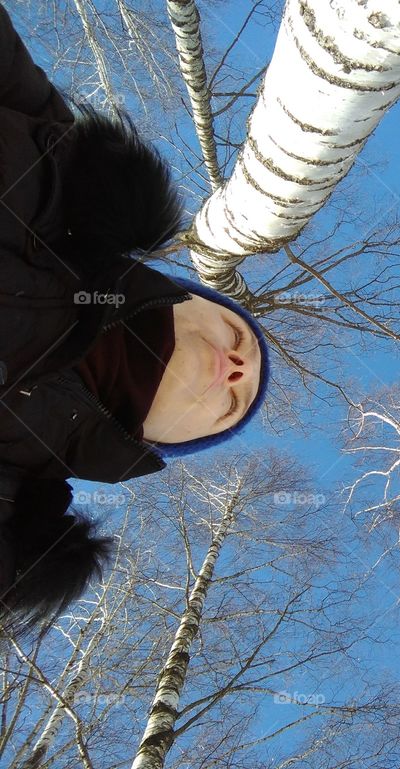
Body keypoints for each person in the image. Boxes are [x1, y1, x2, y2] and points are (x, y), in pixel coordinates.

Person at [0, 4, 269, 634]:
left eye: (231, 403)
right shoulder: (65, 168)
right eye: (238, 339)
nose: (234, 365)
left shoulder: (15, 520)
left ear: (163, 441)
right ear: (184, 295)